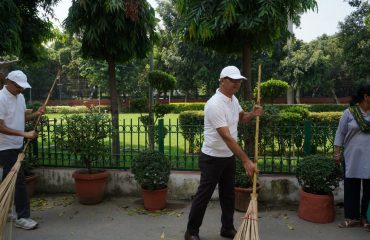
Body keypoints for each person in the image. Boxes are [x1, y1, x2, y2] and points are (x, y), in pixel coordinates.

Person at [184, 66, 262, 240]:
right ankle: (191, 232)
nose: (236, 84)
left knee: (228, 195)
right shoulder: (214, 104)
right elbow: (227, 137)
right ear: (222, 80)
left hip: (228, 157)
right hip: (212, 158)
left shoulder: (233, 100)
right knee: (203, 196)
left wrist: (253, 114)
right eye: (232, 80)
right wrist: (246, 161)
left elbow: (241, 117)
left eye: (238, 81)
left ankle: (227, 228)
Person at [0, 70, 45, 230]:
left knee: (8, 180)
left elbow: (21, 117)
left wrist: (36, 114)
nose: (21, 90)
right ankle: (22, 217)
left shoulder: (20, 97)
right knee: (18, 181)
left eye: (22, 87)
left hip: (17, 145)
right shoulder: (1, 98)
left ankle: (5, 209)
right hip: (5, 147)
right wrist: (24, 134)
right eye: (19, 86)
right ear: (9, 82)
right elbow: (0, 127)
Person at [334, 84, 370, 229]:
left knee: (369, 189)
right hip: (352, 157)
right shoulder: (349, 113)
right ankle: (352, 217)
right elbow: (340, 133)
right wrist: (336, 152)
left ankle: (365, 217)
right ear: (366, 96)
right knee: (351, 187)